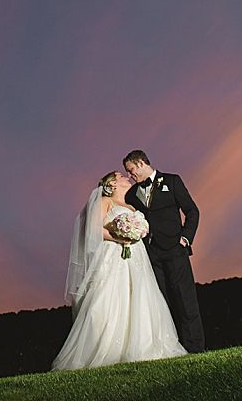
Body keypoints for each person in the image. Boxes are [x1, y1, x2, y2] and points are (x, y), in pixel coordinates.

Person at [52, 171, 187, 371]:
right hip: (113, 254)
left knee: (139, 296)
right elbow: (95, 228)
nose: (127, 178)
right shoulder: (105, 202)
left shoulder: (132, 206)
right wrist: (119, 238)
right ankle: (104, 348)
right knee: (110, 296)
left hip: (137, 256)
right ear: (113, 184)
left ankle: (142, 345)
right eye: (122, 176)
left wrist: (136, 232)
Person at [123, 149, 205, 353]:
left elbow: (192, 211)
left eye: (131, 170)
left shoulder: (172, 181)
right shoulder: (132, 195)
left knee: (185, 300)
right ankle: (171, 348)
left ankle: (195, 347)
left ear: (141, 163)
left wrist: (185, 238)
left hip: (176, 250)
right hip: (151, 255)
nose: (130, 176)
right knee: (161, 302)